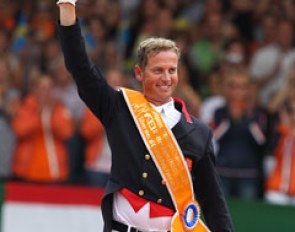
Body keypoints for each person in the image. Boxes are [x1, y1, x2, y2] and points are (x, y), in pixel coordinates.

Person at [56, 1, 233, 231]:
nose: (166, 78)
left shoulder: (199, 132)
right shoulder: (119, 108)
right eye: (158, 70)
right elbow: (81, 68)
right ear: (139, 73)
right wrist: (67, 7)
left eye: (172, 70)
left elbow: (213, 201)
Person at [12, 74, 73, 183]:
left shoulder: (59, 108)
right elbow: (19, 130)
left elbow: (66, 132)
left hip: (54, 171)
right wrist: (38, 113)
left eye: (50, 88)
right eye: (43, 88)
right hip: (27, 171)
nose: (46, 92)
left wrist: (51, 114)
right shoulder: (26, 107)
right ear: (35, 90)